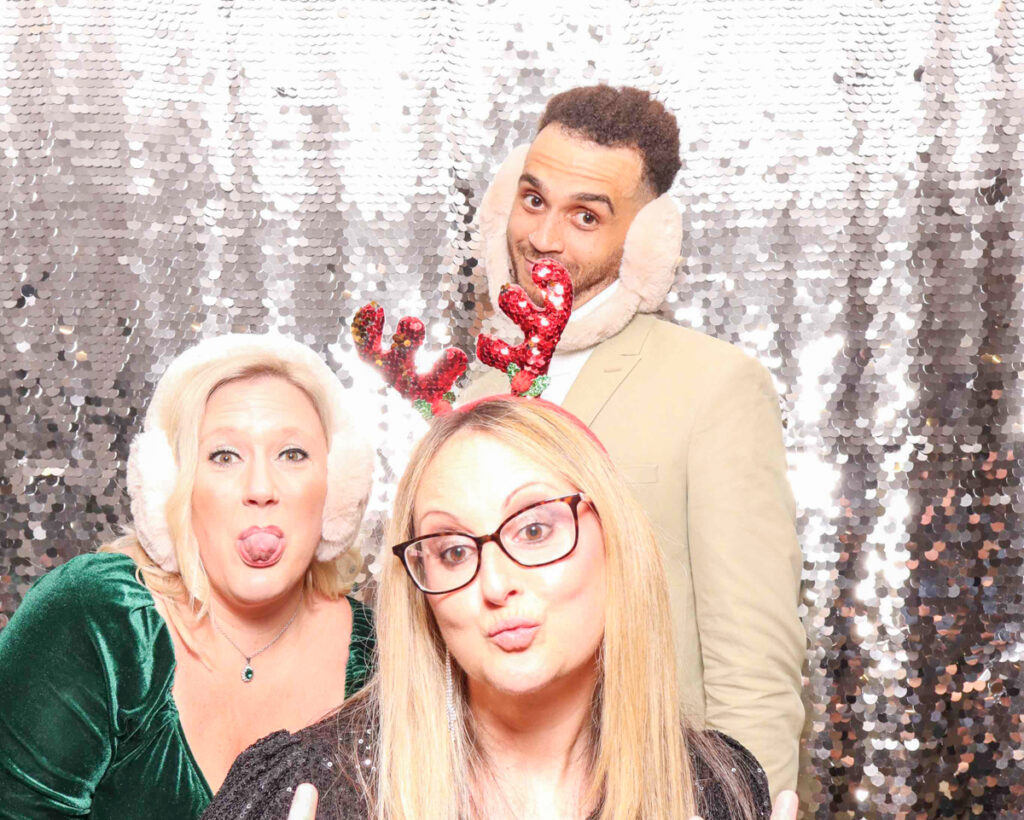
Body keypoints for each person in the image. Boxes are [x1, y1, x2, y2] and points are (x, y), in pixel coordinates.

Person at [203, 397, 798, 819]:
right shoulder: (300, 789)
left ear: (616, 542)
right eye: (454, 550)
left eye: (535, 529)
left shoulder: (718, 786)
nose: (495, 584)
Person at [462, 84, 806, 797]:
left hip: (649, 790)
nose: (543, 239)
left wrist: (749, 807)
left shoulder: (715, 386)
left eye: (586, 216)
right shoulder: (473, 389)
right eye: (533, 200)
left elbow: (753, 662)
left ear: (647, 238)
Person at [0, 334, 376, 819]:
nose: (260, 488)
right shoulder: (97, 619)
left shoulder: (378, 658)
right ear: (170, 486)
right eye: (224, 456)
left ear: (339, 486)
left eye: (292, 454)